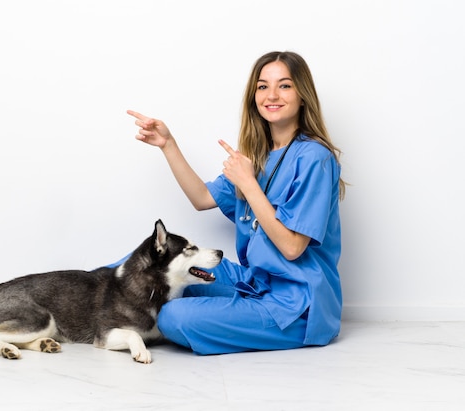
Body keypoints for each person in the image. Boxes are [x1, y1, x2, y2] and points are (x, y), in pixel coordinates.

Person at [125, 51, 345, 355]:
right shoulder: (257, 154)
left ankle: (233, 318)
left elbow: (293, 248)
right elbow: (202, 198)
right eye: (262, 86)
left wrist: (249, 185)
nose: (272, 95)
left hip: (297, 304)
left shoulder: (314, 158)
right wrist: (168, 145)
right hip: (255, 282)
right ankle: (67, 306)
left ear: (302, 95)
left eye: (284, 86)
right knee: (148, 265)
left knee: (174, 315)